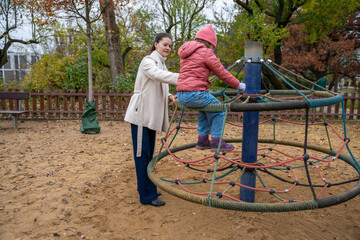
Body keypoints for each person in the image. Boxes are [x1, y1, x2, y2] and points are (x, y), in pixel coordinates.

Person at [124, 33, 178, 207]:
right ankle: (146, 195)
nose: (168, 48)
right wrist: (185, 78)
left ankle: (148, 187)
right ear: (156, 44)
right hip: (141, 116)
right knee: (142, 154)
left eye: (170, 45)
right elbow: (156, 76)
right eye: (165, 44)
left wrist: (169, 95)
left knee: (149, 154)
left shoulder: (161, 63)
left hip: (150, 116)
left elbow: (159, 84)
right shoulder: (148, 61)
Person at [176, 24, 246, 152]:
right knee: (220, 110)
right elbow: (221, 73)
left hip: (181, 95)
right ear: (210, 44)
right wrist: (238, 84)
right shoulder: (206, 52)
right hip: (195, 93)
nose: (213, 50)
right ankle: (217, 142)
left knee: (204, 110)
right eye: (213, 47)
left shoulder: (187, 52)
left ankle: (202, 140)